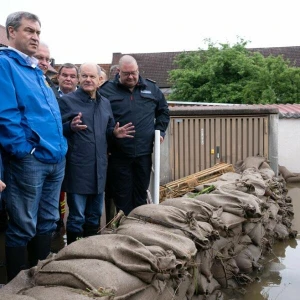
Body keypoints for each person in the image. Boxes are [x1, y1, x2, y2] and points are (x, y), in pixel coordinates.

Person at [0, 11, 67, 281]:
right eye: (29, 31)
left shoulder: (33, 68)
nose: (35, 37)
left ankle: (41, 280)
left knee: (48, 221)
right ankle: (17, 285)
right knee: (23, 225)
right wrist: (25, 151)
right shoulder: (5, 65)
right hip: (30, 160)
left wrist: (61, 146)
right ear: (11, 32)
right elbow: (5, 114)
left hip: (55, 157)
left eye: (38, 32)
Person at [58, 62, 135, 244]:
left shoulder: (105, 103)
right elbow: (54, 130)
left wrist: (114, 133)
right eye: (84, 76)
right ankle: (74, 254)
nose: (88, 80)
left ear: (100, 80)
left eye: (92, 76)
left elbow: (107, 129)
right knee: (77, 217)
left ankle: (91, 254)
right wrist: (69, 127)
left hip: (99, 169)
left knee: (94, 216)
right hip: (78, 168)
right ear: (79, 78)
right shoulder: (67, 102)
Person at [100, 55, 170, 216]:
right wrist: (112, 132)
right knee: (122, 196)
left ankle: (140, 227)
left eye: (134, 72)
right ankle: (123, 229)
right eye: (126, 73)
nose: (131, 76)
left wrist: (160, 131)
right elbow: (98, 119)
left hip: (143, 154)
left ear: (138, 70)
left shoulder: (152, 88)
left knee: (140, 195)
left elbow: (163, 112)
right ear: (118, 72)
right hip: (118, 155)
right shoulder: (106, 90)